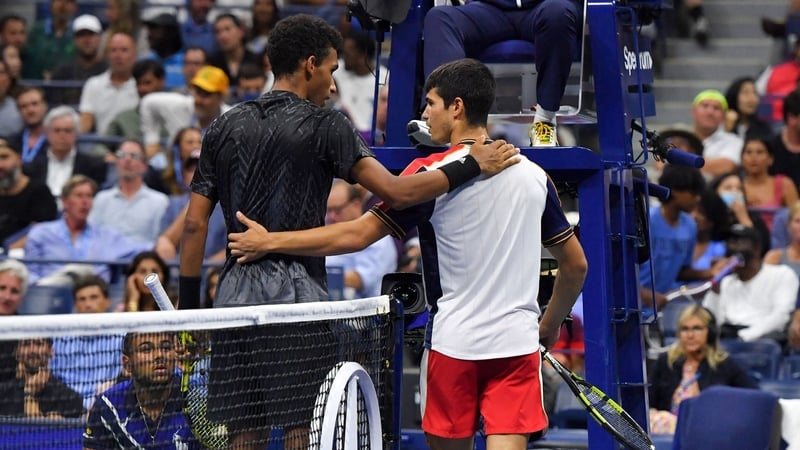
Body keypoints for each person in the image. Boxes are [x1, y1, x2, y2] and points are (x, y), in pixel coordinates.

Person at [180, 15, 519, 450]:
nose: (334, 85)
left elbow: (194, 224)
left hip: (231, 298)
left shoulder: (223, 126)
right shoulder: (328, 125)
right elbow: (397, 191)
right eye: (331, 70)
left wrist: (187, 315)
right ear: (309, 65)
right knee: (303, 427)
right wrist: (474, 161)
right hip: (296, 302)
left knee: (244, 433)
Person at [227, 58, 588, 450]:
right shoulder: (535, 176)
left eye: (430, 103)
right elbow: (575, 265)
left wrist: (270, 241)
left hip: (455, 347)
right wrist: (549, 324)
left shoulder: (430, 175)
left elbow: (357, 235)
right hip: (516, 346)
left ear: (457, 107)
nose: (424, 113)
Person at [421, 0, 579, 147]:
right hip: (489, 9)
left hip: (545, 7)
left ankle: (545, 121)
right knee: (440, 17)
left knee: (558, 13)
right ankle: (439, 117)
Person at [648, 304, 757, 434]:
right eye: (685, 329)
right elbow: (647, 401)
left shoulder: (725, 365)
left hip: (709, 432)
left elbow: (754, 397)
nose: (690, 335)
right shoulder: (666, 362)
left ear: (710, 333)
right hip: (666, 433)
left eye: (697, 329)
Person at [84, 331, 199, 449]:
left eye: (165, 347)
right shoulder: (108, 406)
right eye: (146, 349)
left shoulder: (195, 400)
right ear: (127, 364)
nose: (159, 355)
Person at [639, 165, 729, 308]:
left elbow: (681, 272)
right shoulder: (646, 220)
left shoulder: (690, 225)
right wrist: (645, 295)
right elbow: (623, 271)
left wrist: (710, 272)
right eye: (693, 193)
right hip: (634, 305)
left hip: (660, 307)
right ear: (675, 191)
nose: (698, 198)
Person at [703, 224, 798, 342]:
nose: (734, 247)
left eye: (740, 241)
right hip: (727, 336)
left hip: (761, 339)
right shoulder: (726, 281)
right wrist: (715, 290)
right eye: (730, 242)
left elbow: (781, 316)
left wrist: (744, 336)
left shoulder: (781, 274)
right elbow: (712, 320)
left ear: (757, 248)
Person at [50, 275, 123, 411]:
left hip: (107, 407)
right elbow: (52, 378)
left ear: (107, 301)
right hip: (65, 408)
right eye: (81, 299)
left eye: (94, 297)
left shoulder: (122, 338)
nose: (88, 304)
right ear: (75, 305)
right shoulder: (61, 338)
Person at [324, 179, 398, 299]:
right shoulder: (327, 230)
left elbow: (361, 280)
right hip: (327, 303)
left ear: (356, 205)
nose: (332, 216)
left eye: (337, 210)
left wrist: (316, 277)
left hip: (367, 311)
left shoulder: (378, 237)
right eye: (329, 210)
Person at [88, 139, 169, 244]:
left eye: (134, 156)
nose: (127, 160)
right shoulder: (101, 199)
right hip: (106, 258)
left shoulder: (160, 202)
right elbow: (91, 237)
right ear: (116, 163)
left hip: (142, 258)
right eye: (122, 155)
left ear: (144, 166)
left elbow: (160, 242)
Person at [0, 337, 84, 418]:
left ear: (51, 351)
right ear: (17, 353)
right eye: (26, 344)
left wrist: (29, 393)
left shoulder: (70, 398)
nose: (32, 351)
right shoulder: (3, 395)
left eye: (39, 344)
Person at [0, 135, 57, 249]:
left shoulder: (39, 192)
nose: (0, 165)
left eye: (4, 157)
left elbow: (42, 231)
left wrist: (6, 251)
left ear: (19, 160)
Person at [741, 137, 799, 231]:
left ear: (770, 159)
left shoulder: (784, 184)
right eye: (748, 152)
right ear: (742, 159)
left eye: (759, 152)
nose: (753, 157)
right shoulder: (736, 186)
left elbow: (796, 217)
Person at [49, 14, 108, 107]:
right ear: (74, 40)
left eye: (91, 35)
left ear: (99, 38)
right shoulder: (62, 72)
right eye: (81, 35)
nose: (87, 40)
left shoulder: (109, 71)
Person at [690, 89, 743, 178]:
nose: (710, 112)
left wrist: (680, 161)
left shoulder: (734, 141)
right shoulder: (678, 136)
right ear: (693, 111)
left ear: (723, 116)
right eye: (705, 106)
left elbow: (726, 167)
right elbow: (661, 163)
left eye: (716, 108)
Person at [0, 259, 29, 384]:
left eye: (14, 291)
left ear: (22, 298)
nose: (7, 297)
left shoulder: (27, 334)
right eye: (2, 288)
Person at [723, 77, 774, 141]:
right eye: (745, 93)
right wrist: (727, 129)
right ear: (734, 96)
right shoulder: (721, 123)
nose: (752, 98)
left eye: (755, 93)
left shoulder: (764, 128)